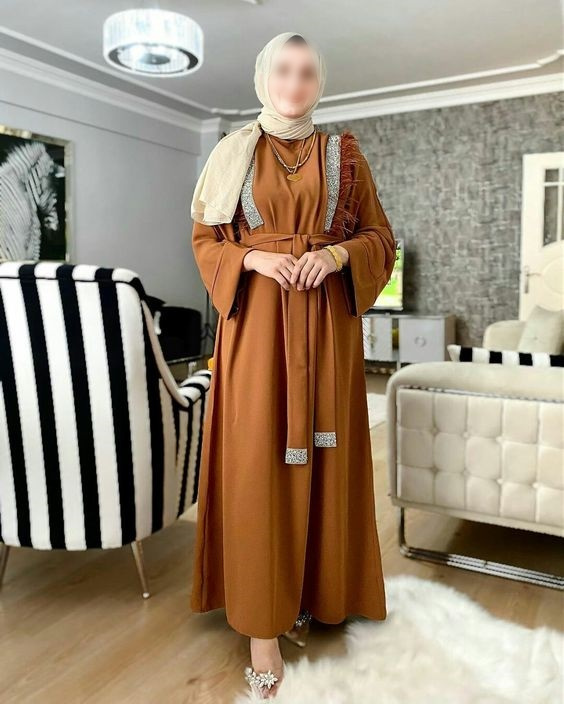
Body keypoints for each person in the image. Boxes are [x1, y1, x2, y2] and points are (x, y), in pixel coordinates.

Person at [189, 31, 397, 699]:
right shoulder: (231, 152)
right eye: (283, 70)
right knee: (258, 463)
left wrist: (335, 256)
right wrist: (252, 257)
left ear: (319, 82)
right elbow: (206, 238)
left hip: (327, 326)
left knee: (324, 460)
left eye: (307, 72)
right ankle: (262, 626)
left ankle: (316, 592)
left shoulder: (346, 155)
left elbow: (380, 238)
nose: (295, 83)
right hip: (256, 327)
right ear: (263, 76)